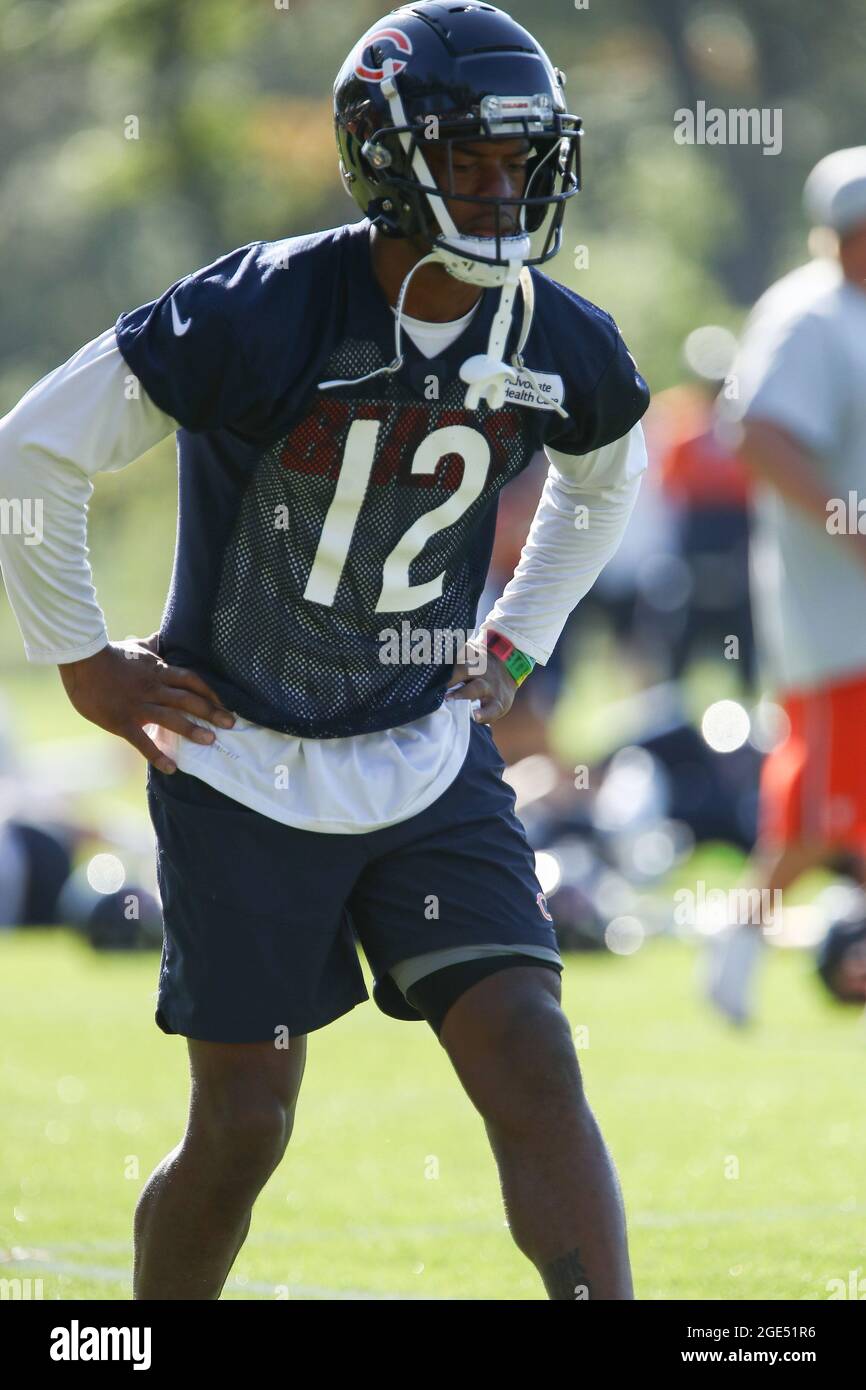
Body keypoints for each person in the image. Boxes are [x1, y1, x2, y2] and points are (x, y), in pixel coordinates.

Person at [0, 2, 650, 1299]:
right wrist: (80, 659)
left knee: (529, 1045)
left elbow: (599, 480)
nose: (502, 187)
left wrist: (516, 642)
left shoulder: (555, 337)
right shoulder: (261, 308)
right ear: (385, 158)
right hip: (243, 763)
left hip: (422, 756)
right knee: (245, 1126)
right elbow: (32, 450)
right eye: (468, 156)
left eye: (520, 159)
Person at [705, 146, 866, 1024]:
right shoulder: (808, 314)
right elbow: (761, 436)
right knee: (821, 813)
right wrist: (856, 531)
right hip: (841, 619)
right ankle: (735, 947)